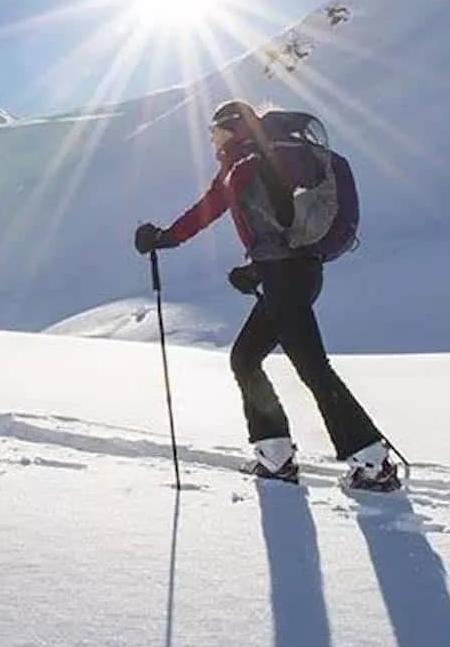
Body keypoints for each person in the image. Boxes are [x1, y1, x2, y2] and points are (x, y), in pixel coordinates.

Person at [134, 99, 400, 492]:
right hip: (293, 274)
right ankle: (278, 454)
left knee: (310, 368)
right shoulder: (265, 158)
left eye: (214, 130)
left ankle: (371, 462)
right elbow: (279, 220)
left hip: (287, 278)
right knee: (248, 358)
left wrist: (163, 238)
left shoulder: (245, 163)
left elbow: (208, 209)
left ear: (231, 127)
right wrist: (259, 267)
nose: (210, 138)